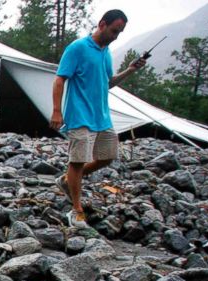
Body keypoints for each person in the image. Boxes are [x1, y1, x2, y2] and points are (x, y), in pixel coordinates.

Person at [50, 9, 146, 229]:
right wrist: (57, 110)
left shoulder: (106, 52)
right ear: (102, 24)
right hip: (79, 115)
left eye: (120, 33)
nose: (116, 36)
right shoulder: (78, 48)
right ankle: (76, 211)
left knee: (107, 156)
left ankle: (67, 181)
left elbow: (108, 82)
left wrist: (130, 70)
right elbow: (59, 79)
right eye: (114, 31)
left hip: (101, 115)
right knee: (78, 160)